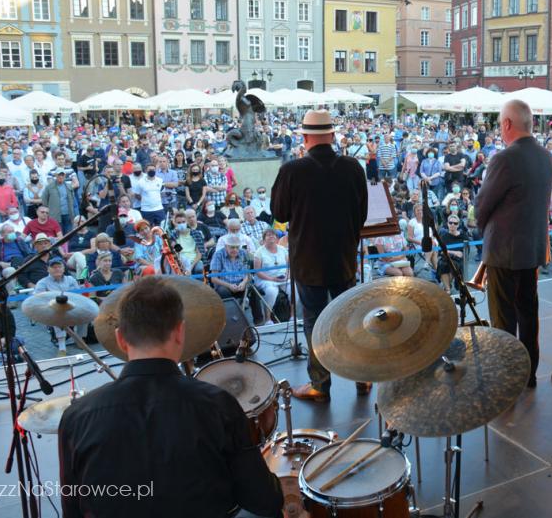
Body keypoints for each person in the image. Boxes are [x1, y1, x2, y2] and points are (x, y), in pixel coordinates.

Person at [58, 276, 284, 518]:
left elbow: (72, 510)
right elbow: (264, 501)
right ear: (180, 332)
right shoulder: (217, 405)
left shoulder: (76, 417)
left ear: (120, 338)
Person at [272, 109, 368, 403]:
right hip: (343, 258)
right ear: (333, 135)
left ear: (304, 138)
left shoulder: (292, 170)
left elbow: (279, 213)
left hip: (309, 261)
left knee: (315, 322)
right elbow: (361, 214)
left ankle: (320, 385)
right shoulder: (353, 168)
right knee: (349, 319)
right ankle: (362, 377)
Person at [475, 100, 552, 388]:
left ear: (507, 124)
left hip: (504, 252)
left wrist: (480, 224)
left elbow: (483, 204)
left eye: (499, 124)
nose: (499, 129)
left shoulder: (504, 159)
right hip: (531, 249)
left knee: (503, 319)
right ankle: (528, 374)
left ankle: (507, 378)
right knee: (528, 313)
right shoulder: (546, 156)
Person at [34, 256, 83, 356]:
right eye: (54, 267)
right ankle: (62, 346)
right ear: (48, 269)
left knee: (85, 311)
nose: (57, 269)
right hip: (53, 308)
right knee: (57, 313)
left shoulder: (70, 279)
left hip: (71, 306)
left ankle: (80, 338)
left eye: (59, 267)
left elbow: (78, 294)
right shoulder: (42, 282)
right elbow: (38, 297)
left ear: (64, 268)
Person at [209, 235, 263, 324]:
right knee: (223, 292)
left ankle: (259, 321)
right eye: (232, 247)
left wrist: (244, 283)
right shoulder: (218, 255)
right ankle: (232, 323)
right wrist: (229, 285)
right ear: (226, 246)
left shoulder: (243, 253)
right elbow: (214, 278)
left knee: (254, 290)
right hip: (224, 285)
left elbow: (248, 274)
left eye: (237, 247)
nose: (235, 250)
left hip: (241, 283)